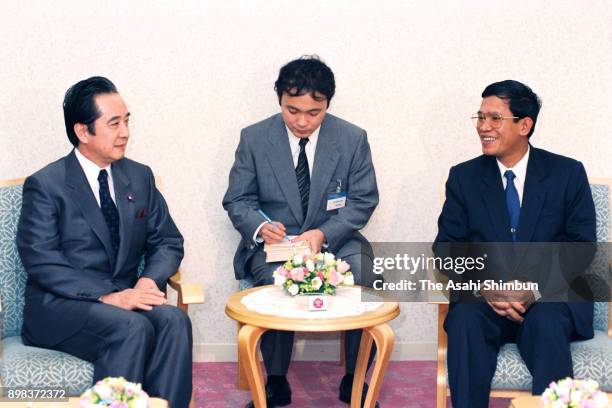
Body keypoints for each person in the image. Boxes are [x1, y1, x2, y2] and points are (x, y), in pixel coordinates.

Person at [17, 76, 193, 408]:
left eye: (127, 121)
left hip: (125, 298)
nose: (125, 132)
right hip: (61, 308)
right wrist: (109, 296)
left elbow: (168, 240)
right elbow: (40, 260)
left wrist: (146, 281)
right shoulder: (46, 185)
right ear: (83, 131)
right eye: (114, 123)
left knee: (173, 320)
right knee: (130, 327)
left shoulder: (139, 176)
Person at [223, 56, 380, 407]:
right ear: (279, 100)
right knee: (275, 282)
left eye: (314, 112)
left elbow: (363, 200)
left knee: (366, 275)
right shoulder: (254, 138)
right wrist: (262, 227)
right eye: (292, 110)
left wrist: (322, 234)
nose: (302, 121)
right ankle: (276, 380)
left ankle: (355, 380)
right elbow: (237, 199)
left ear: (327, 104)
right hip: (278, 245)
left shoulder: (352, 138)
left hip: (334, 238)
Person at [433, 80, 596, 408]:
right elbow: (446, 249)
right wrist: (487, 286)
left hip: (547, 299)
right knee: (465, 320)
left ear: (525, 125)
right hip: (484, 299)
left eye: (494, 118)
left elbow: (581, 247)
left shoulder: (567, 173)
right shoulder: (464, 178)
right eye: (480, 117)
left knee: (549, 323)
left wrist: (533, 289)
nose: (483, 127)